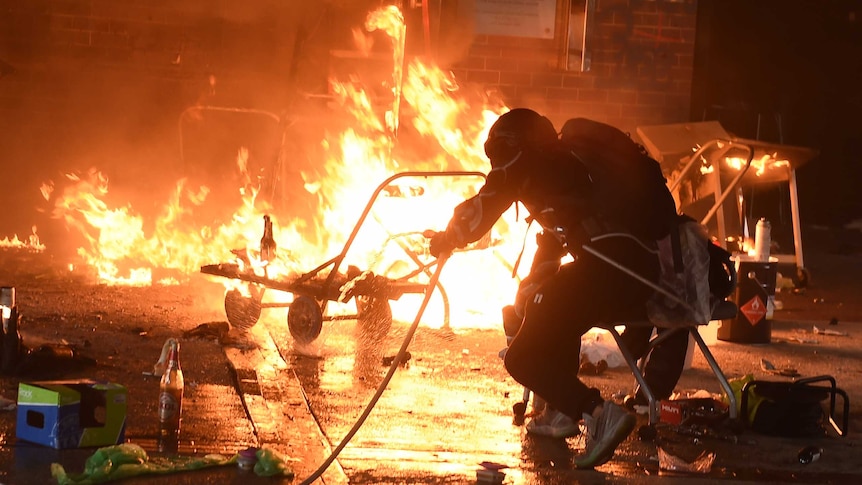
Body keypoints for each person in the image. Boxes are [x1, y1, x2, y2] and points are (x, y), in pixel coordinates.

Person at [429, 108, 686, 468]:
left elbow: (481, 208)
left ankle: (597, 413)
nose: (496, 160)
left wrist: (446, 238)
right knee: (553, 307)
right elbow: (551, 250)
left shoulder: (527, 162)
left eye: (498, 149)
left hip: (607, 274)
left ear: (516, 143)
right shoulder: (570, 170)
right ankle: (562, 411)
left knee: (522, 357)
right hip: (637, 278)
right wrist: (532, 294)